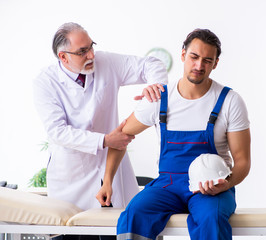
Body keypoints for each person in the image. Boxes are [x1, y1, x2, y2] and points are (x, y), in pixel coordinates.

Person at [97, 28, 251, 240]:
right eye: (194, 57)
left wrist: (227, 183)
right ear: (182, 55)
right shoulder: (158, 98)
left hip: (210, 187)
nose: (199, 66)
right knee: (134, 213)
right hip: (167, 186)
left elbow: (242, 161)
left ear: (215, 63)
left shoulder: (230, 101)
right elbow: (120, 137)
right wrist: (107, 182)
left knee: (211, 219)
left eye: (207, 60)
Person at [33, 22, 168, 212]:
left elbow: (152, 64)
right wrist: (105, 140)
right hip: (71, 176)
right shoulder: (45, 82)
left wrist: (155, 84)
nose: (91, 55)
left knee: (113, 229)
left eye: (91, 46)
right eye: (82, 51)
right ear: (63, 57)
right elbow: (57, 132)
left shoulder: (106, 62)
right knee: (73, 231)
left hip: (110, 167)